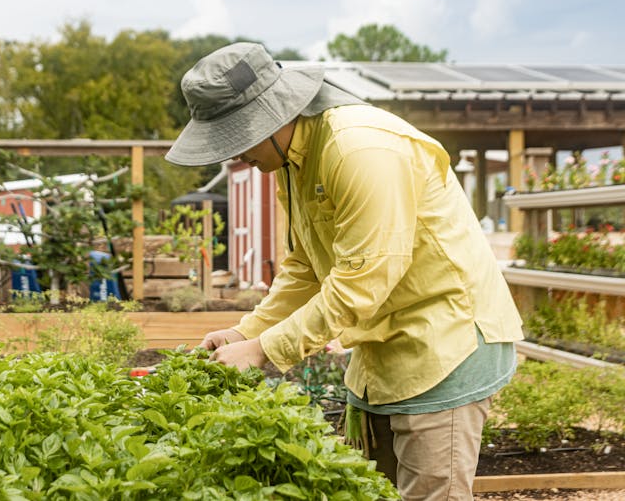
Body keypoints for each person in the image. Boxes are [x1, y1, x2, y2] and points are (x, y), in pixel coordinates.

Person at [165, 42, 524, 501]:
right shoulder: (290, 158)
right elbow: (304, 266)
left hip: (444, 339)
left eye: (238, 139)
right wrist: (246, 333)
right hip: (384, 347)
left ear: (275, 117)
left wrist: (265, 350)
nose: (235, 159)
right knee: (374, 492)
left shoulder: (361, 150)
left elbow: (362, 281)